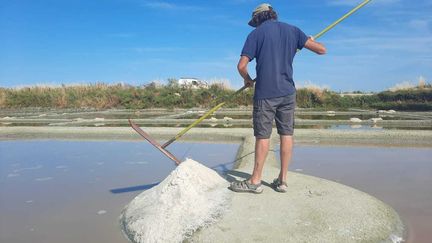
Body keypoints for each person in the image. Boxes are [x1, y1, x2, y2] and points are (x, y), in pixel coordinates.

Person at [229, 3, 326, 194]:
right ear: (272, 15)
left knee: (263, 136)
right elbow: (321, 50)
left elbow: (241, 66)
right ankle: (282, 180)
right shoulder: (293, 31)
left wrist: (248, 80)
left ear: (258, 19)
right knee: (286, 134)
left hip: (265, 93)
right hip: (288, 92)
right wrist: (307, 41)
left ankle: (255, 181)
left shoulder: (256, 35)